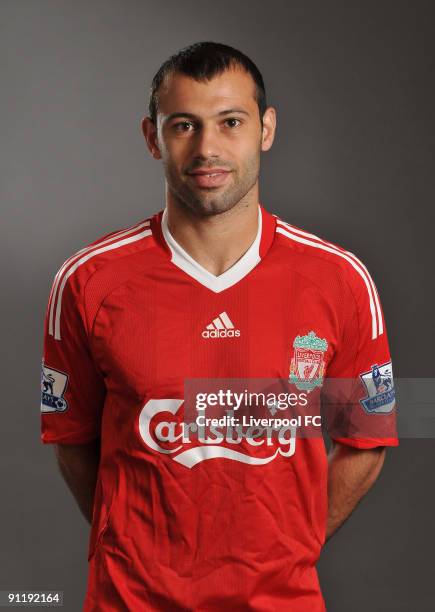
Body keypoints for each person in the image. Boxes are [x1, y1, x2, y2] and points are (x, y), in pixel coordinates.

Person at [40, 41, 398, 611]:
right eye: (184, 125)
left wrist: (290, 549)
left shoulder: (340, 280)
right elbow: (73, 443)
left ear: (266, 129)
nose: (207, 148)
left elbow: (366, 442)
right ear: (153, 137)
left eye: (231, 122)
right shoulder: (88, 282)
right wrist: (139, 551)